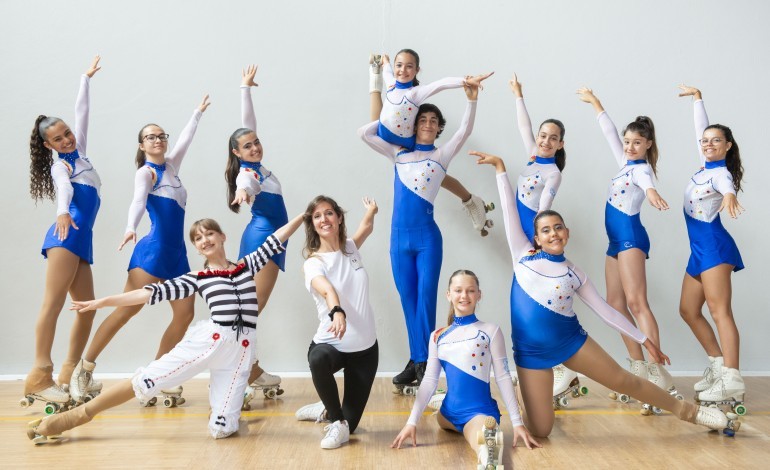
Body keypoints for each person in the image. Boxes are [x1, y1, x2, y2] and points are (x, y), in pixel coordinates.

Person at [469, 150, 739, 438]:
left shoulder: (574, 273)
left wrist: (644, 340)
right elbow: (510, 212)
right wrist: (500, 168)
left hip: (571, 343)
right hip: (530, 353)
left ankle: (691, 413)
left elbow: (606, 311)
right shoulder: (522, 255)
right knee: (541, 430)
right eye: (546, 230)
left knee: (626, 381)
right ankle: (523, 398)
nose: (553, 234)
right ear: (537, 238)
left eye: (558, 227)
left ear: (567, 233)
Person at [27, 214, 304, 444]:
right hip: (210, 342)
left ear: (222, 237)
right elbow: (146, 294)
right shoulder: (197, 278)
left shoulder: (246, 266)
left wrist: (305, 214)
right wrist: (103, 301)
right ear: (196, 248)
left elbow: (276, 239)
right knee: (147, 380)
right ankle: (74, 417)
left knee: (222, 430)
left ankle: (219, 399)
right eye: (197, 238)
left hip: (241, 352)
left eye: (209, 234)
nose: (204, 240)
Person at [68, 94, 211, 404]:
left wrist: (196, 113)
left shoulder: (172, 166)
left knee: (185, 314)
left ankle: (159, 374)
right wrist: (131, 227)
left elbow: (185, 141)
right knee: (124, 312)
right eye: (150, 137)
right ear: (142, 146)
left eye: (161, 136)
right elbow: (137, 201)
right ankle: (84, 368)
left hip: (178, 257)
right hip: (152, 253)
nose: (157, 140)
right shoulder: (146, 173)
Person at [358, 80, 480, 391]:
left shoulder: (441, 155)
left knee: (425, 301)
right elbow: (366, 133)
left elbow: (464, 131)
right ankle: (417, 360)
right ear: (414, 125)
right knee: (408, 301)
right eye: (422, 119)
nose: (427, 124)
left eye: (433, 121)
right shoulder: (397, 153)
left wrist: (471, 101)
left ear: (438, 129)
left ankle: (425, 363)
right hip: (398, 240)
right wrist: (392, 104)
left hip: (427, 239)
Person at [576, 88, 679, 407]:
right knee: (614, 304)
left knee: (637, 303)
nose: (630, 146)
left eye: (637, 141)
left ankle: (658, 373)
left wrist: (652, 195)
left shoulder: (641, 168)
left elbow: (647, 184)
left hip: (632, 238)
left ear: (648, 144)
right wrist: (597, 104)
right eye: (628, 141)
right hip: (614, 242)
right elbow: (609, 132)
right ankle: (637, 369)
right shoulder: (624, 161)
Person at [391, 270, 541, 468]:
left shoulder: (490, 331)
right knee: (443, 410)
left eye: (471, 291)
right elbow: (429, 381)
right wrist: (411, 422)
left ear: (479, 295)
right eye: (458, 290)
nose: (464, 296)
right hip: (447, 415)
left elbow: (503, 377)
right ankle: (440, 401)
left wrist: (517, 422)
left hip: (478, 414)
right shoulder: (437, 336)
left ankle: (490, 460)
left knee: (489, 451)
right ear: (448, 294)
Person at [22, 56, 103, 411]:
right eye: (58, 138)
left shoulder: (79, 152)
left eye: (67, 132)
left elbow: (82, 112)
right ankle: (40, 375)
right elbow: (64, 191)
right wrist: (61, 213)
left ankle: (67, 376)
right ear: (48, 146)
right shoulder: (61, 165)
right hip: (65, 235)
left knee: (86, 310)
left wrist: (84, 79)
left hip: (80, 240)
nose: (67, 139)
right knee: (52, 305)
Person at [367, 49, 494, 234]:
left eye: (409, 66)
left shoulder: (415, 92)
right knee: (432, 173)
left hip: (408, 140)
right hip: (402, 135)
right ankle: (471, 200)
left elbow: (440, 85)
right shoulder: (394, 84)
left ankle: (471, 201)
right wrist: (381, 67)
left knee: (434, 169)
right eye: (399, 65)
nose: (403, 69)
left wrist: (465, 82)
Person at [509, 73, 578, 403]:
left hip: (532, 240)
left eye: (553, 138)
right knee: (535, 303)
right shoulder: (532, 156)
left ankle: (563, 366)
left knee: (538, 303)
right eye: (543, 135)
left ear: (561, 144)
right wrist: (519, 95)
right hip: (523, 236)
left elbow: (545, 209)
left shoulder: (553, 173)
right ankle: (561, 366)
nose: (546, 141)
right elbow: (525, 127)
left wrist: (539, 241)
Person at [676, 85, 745, 411]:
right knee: (688, 310)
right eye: (705, 141)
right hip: (699, 251)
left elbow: (726, 186)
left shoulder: (720, 175)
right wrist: (698, 98)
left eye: (716, 141)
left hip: (715, 249)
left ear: (727, 146)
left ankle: (732, 378)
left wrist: (730, 197)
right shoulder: (705, 167)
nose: (707, 144)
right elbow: (700, 130)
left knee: (720, 312)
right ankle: (718, 365)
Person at [294, 196, 379, 450]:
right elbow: (328, 289)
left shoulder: (351, 248)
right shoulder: (313, 263)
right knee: (318, 360)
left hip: (364, 350)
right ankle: (335, 417)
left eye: (329, 213)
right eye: (317, 216)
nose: (324, 219)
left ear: (339, 217)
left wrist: (372, 211)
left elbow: (367, 227)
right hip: (330, 345)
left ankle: (326, 408)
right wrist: (337, 311)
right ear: (313, 224)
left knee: (350, 427)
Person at [226, 65, 288, 402]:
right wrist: (243, 192)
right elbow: (244, 182)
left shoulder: (259, 166)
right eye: (247, 146)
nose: (254, 147)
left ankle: (251, 368)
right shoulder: (249, 174)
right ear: (237, 153)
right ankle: (238, 372)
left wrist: (245, 88)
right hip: (262, 241)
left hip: (273, 241)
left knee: (248, 308)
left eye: (256, 143)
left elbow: (248, 124)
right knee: (249, 309)